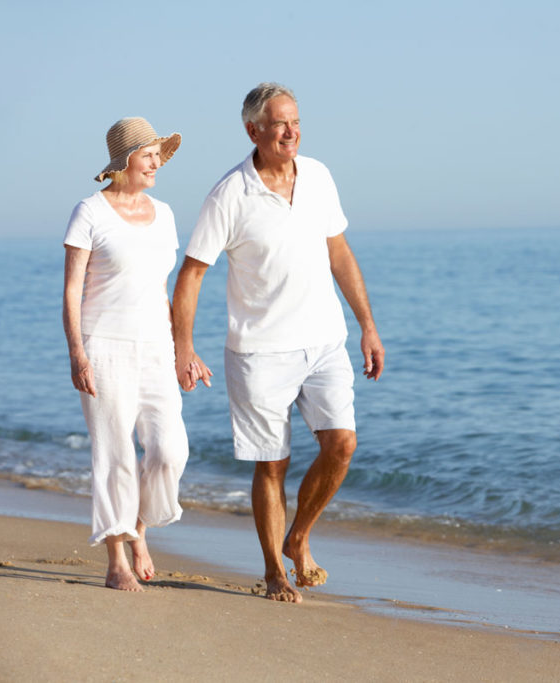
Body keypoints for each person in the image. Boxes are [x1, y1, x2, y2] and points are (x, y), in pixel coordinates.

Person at [172, 82, 384, 604]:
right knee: (272, 464)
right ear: (253, 131)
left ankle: (299, 536)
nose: (291, 132)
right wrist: (184, 346)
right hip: (259, 351)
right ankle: (274, 572)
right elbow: (192, 274)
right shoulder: (230, 194)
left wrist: (367, 326)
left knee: (342, 444)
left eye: (296, 122)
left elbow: (340, 253)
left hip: (325, 342)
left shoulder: (319, 176)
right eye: (279, 124)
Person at [62, 117, 190, 592]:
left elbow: (164, 289)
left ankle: (139, 526)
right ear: (123, 162)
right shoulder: (89, 212)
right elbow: (72, 290)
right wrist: (78, 353)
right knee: (113, 452)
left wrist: (184, 349)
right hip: (104, 345)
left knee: (170, 450)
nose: (157, 162)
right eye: (148, 154)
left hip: (157, 345)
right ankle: (117, 556)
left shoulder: (166, 213)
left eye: (158, 153)